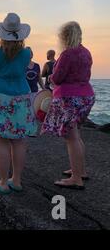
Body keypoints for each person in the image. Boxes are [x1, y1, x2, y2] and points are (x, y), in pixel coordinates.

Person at [0, 13, 38, 194]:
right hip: (21, 97)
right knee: (19, 141)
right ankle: (17, 181)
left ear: (1, 34)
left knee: (1, 140)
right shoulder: (27, 53)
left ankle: (4, 182)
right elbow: (23, 67)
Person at [41, 22, 95, 190]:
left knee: (71, 138)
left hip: (69, 98)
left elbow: (57, 78)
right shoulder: (86, 52)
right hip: (86, 95)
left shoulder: (67, 54)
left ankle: (76, 178)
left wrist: (50, 78)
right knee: (76, 136)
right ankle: (80, 170)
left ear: (64, 36)